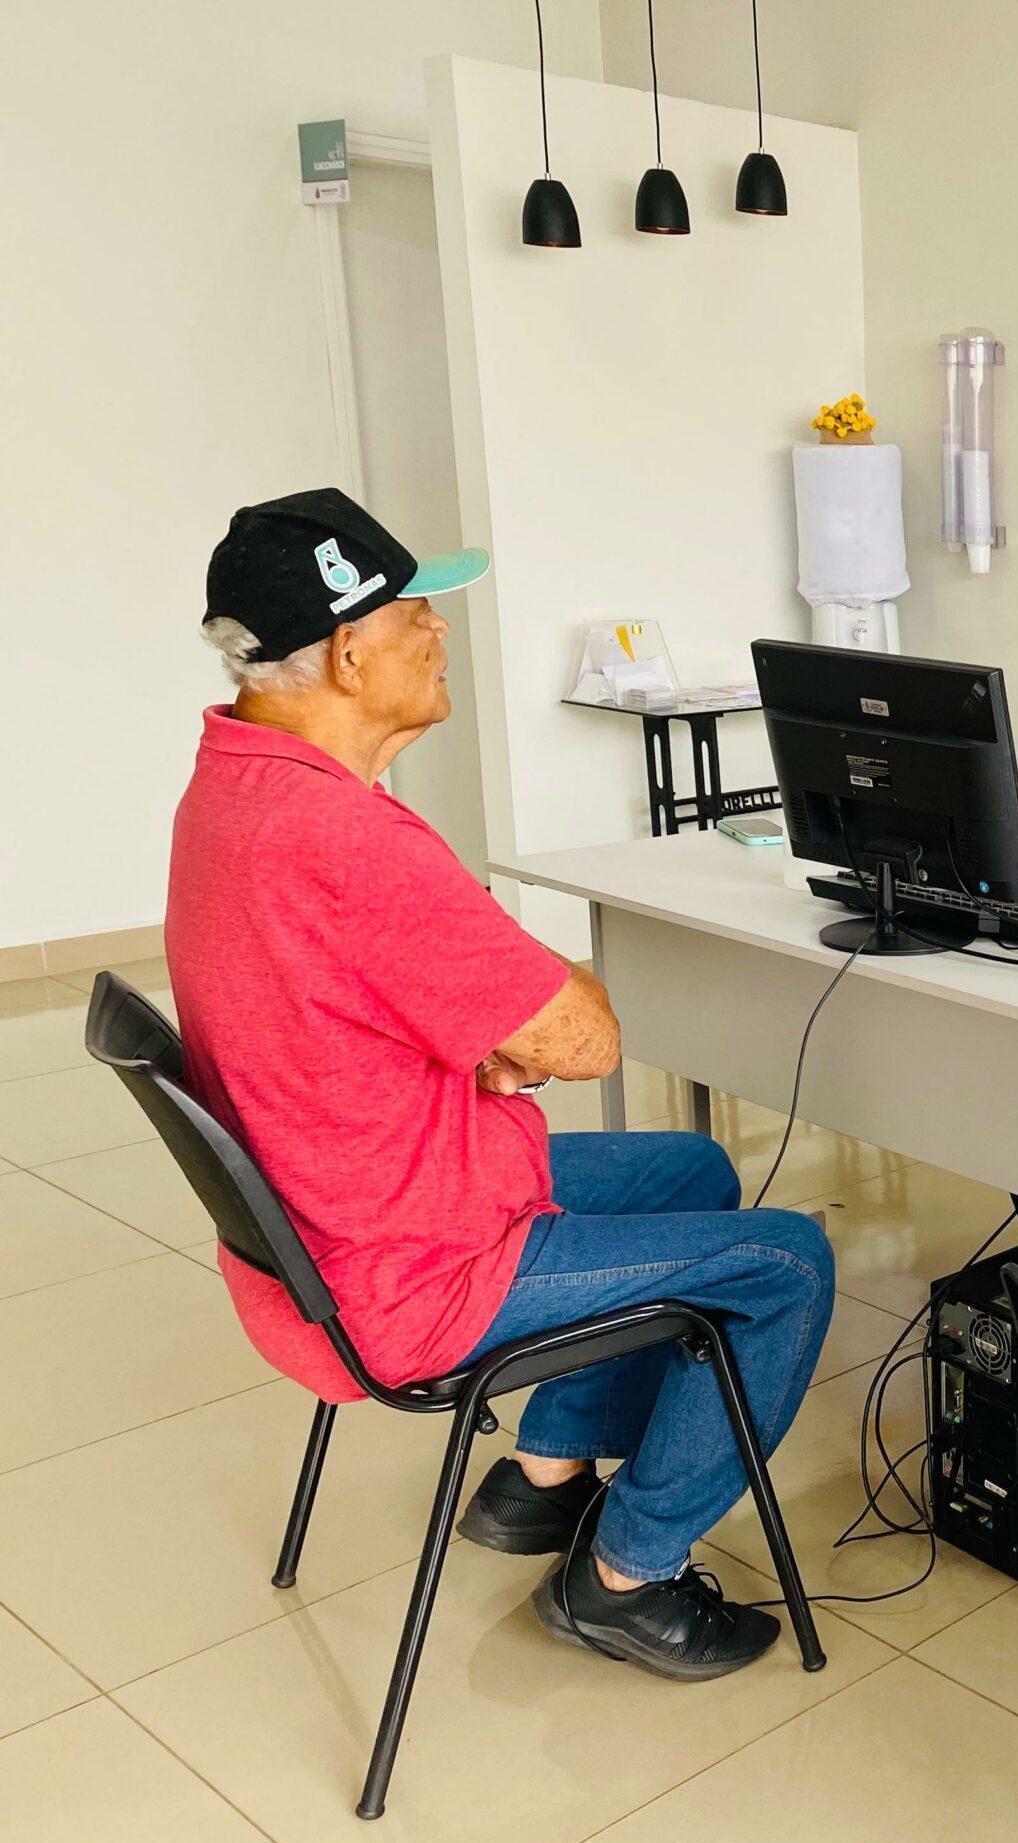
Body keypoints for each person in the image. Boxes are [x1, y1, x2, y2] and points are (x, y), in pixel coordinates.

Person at [167, 489, 835, 1681]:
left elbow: (378, 999)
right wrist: (530, 1002)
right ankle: (627, 1578)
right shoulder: (346, 838)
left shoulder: (232, 785)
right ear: (348, 652)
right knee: (786, 1264)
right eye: (417, 614)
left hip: (334, 1213)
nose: (440, 632)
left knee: (689, 1166)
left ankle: (543, 1475)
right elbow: (585, 1040)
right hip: (407, 1267)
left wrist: (480, 1022)